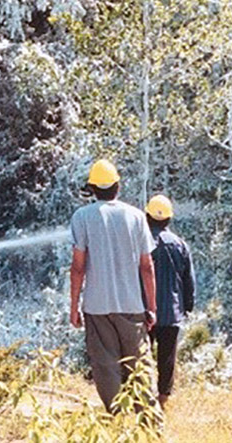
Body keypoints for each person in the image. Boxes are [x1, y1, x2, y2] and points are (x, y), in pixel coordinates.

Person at [68, 159, 157, 412]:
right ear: (117, 186)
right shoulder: (137, 216)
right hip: (132, 305)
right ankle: (149, 423)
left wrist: (74, 307)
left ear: (92, 189)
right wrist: (151, 307)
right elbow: (147, 266)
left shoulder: (81, 217)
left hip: (96, 307)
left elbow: (78, 268)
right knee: (140, 365)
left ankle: (118, 420)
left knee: (106, 368)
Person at [144, 194, 195, 409]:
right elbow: (188, 281)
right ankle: (163, 401)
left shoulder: (141, 244)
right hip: (171, 313)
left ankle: (141, 398)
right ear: (168, 220)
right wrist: (188, 306)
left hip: (143, 312)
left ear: (147, 217)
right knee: (167, 360)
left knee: (141, 358)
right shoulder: (180, 245)